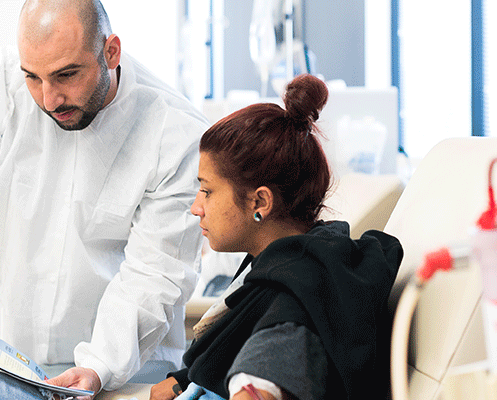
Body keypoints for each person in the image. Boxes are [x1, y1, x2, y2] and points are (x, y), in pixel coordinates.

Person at [0, 0, 209, 396]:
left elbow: (157, 275)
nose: (49, 99)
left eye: (66, 75)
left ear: (111, 51)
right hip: (13, 360)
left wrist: (98, 367)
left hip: (124, 372)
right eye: (33, 77)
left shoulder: (176, 134)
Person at [149, 74, 403, 400]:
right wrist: (185, 380)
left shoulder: (292, 311)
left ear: (260, 202)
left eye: (207, 191)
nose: (196, 207)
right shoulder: (292, 263)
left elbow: (264, 370)